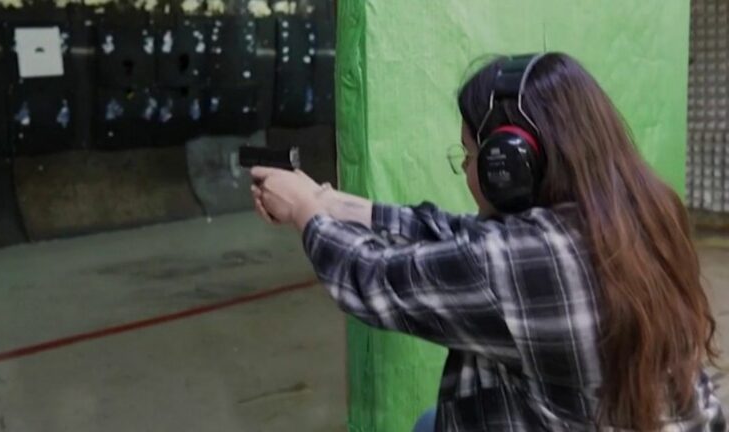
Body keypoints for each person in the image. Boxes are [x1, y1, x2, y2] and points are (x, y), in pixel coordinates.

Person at [249, 52, 726, 431]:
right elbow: (467, 236)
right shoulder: (638, 214)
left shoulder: (530, 259)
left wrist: (303, 212)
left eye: (472, 154)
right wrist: (338, 205)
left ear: (510, 164)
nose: (467, 169)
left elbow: (372, 278)